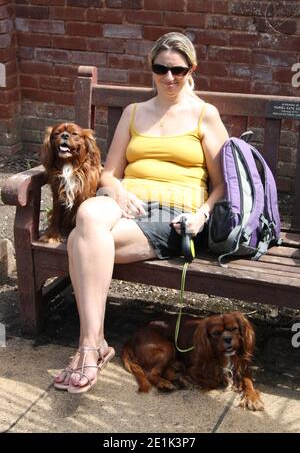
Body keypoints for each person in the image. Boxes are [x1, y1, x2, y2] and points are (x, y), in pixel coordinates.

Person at [54, 32, 229, 393]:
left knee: (78, 242)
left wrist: (202, 216)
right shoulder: (134, 113)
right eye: (161, 68)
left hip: (175, 212)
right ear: (150, 69)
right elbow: (107, 172)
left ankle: (90, 348)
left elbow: (223, 184)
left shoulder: (204, 116)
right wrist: (116, 190)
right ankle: (94, 344)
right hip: (125, 202)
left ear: (192, 69)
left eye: (178, 71)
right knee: (88, 216)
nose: (169, 77)